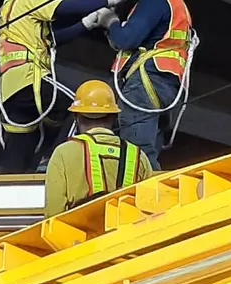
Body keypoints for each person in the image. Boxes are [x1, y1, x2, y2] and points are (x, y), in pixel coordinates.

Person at [0, 0, 129, 172]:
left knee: (21, 145)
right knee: (78, 106)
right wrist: (107, 0)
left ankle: (10, 184)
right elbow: (65, 7)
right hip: (31, 80)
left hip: (10, 90)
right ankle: (52, 160)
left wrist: (86, 23)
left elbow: (51, 41)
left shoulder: (5, 12)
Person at [91, 0, 194, 170]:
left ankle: (140, 188)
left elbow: (127, 40)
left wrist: (111, 22)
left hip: (146, 82)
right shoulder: (174, 1)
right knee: (146, 151)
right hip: (165, 84)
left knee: (135, 152)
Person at [44, 80, 151, 217]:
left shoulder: (63, 153)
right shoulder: (139, 157)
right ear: (114, 117)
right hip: (126, 230)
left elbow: (53, 212)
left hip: (79, 231)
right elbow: (149, 208)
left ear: (76, 117)